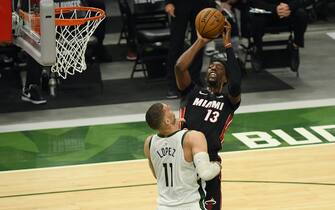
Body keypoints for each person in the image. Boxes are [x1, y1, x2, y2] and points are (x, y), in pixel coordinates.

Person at [174, 19, 241, 210]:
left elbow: (236, 83)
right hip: (183, 158)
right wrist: (201, 41)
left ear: (225, 77)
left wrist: (227, 44)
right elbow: (179, 67)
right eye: (211, 67)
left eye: (219, 68)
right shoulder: (192, 92)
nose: (213, 68)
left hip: (209, 159)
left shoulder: (228, 100)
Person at [144, 102, 222, 210]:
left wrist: (173, 128)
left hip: (163, 206)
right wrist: (217, 165)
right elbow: (206, 173)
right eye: (168, 110)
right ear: (167, 121)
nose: (171, 108)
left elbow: (158, 175)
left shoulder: (149, 143)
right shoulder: (193, 137)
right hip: (190, 205)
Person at [165, 0, 216, 99]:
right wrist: (169, 2)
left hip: (200, 3)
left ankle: (195, 81)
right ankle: (173, 84)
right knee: (176, 44)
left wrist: (211, 4)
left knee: (199, 42)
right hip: (180, 4)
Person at [249, 0, 308, 71]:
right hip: (267, 12)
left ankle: (295, 47)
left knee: (301, 14)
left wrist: (289, 7)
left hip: (287, 11)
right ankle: (257, 50)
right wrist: (274, 9)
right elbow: (254, 3)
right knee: (257, 18)